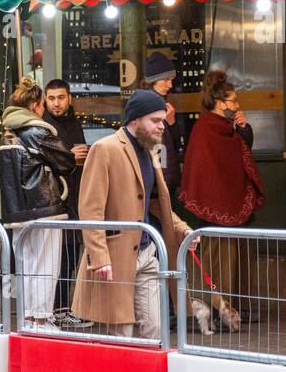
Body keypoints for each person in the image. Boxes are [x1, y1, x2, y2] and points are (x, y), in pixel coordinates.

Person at [75, 89, 193, 341]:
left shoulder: (151, 150)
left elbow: (156, 204)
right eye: (156, 120)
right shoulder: (104, 148)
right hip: (116, 257)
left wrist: (183, 228)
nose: (162, 126)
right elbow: (90, 209)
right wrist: (99, 256)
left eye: (162, 120)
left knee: (155, 329)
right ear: (135, 119)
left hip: (147, 252)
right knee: (122, 333)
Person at [178, 70, 265, 308]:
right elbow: (208, 170)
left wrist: (244, 130)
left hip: (234, 200)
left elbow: (238, 156)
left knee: (236, 258)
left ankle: (235, 306)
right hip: (214, 207)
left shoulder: (230, 129)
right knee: (218, 259)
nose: (237, 105)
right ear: (219, 103)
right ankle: (216, 306)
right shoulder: (206, 128)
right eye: (233, 100)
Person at [0, 79, 78, 331]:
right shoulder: (37, 131)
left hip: (16, 211)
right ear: (35, 106)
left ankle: (28, 318)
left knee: (26, 265)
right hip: (44, 208)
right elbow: (66, 162)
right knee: (46, 264)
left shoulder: (8, 132)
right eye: (43, 104)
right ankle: (43, 319)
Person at [40, 79, 90, 326]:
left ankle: (62, 308)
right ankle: (57, 310)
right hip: (55, 199)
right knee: (59, 257)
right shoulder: (44, 126)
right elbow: (46, 160)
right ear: (44, 100)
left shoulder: (73, 122)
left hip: (74, 197)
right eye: (51, 98)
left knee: (70, 255)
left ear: (69, 98)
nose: (56, 103)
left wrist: (83, 152)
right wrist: (71, 155)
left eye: (60, 97)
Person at [141, 53, 185, 197]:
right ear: (153, 80)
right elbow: (156, 147)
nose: (170, 85)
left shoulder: (162, 103)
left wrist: (171, 123)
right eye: (166, 80)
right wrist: (161, 182)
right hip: (155, 184)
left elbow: (174, 144)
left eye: (171, 80)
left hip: (162, 180)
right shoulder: (145, 105)